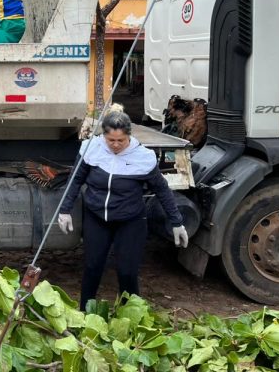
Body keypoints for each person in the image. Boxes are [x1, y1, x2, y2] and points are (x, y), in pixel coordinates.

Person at [57, 111, 189, 311]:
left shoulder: (143, 157)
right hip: (97, 217)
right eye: (111, 140)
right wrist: (64, 209)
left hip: (130, 221)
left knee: (127, 272)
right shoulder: (91, 149)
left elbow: (162, 189)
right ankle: (84, 312)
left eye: (121, 140)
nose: (116, 144)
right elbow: (76, 180)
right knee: (93, 267)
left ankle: (130, 316)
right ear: (103, 136)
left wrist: (176, 221)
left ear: (129, 136)